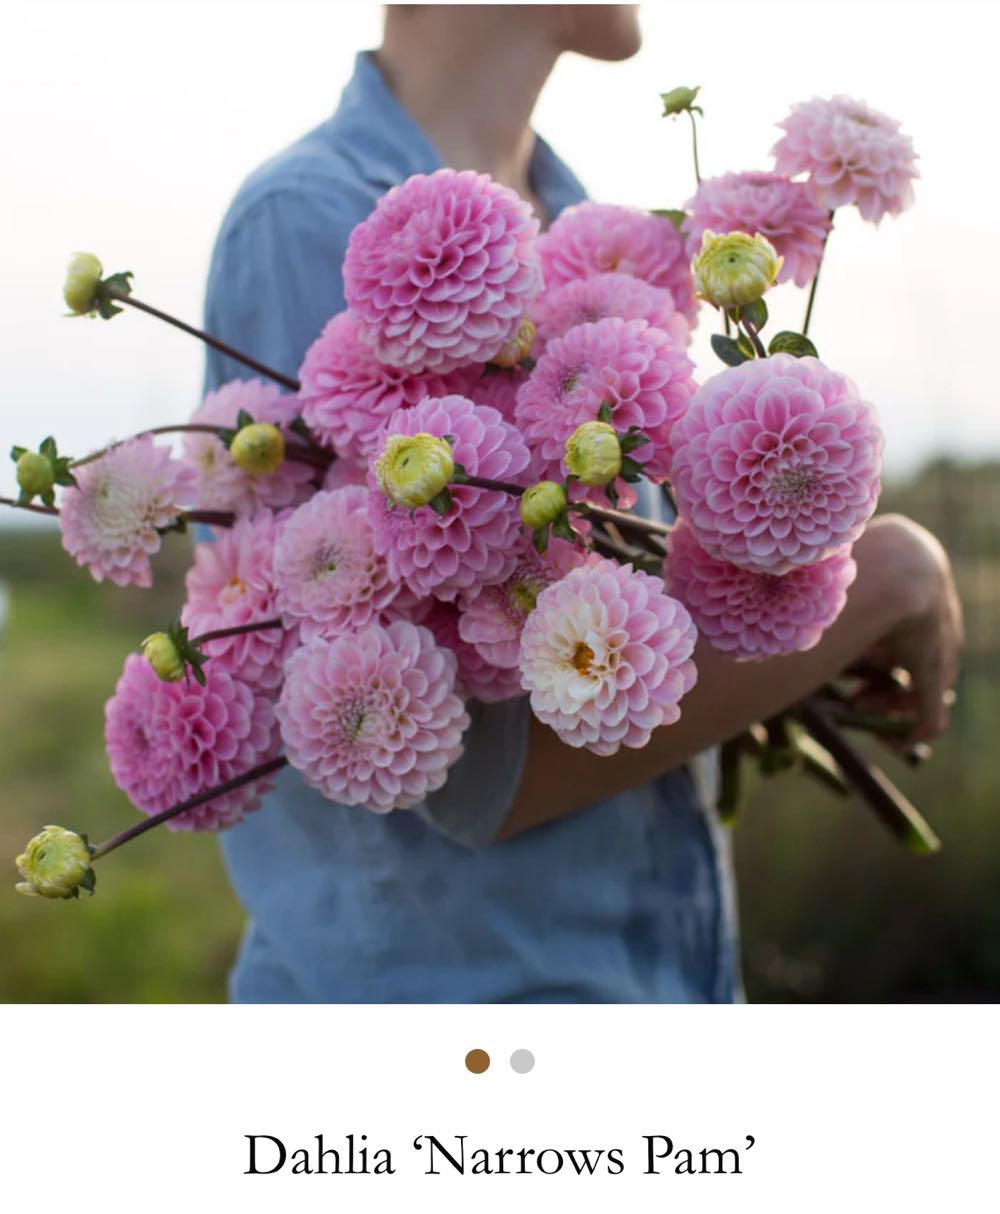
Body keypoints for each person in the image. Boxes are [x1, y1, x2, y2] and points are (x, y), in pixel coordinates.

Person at [201, 5, 962, 1003]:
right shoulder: (309, 216)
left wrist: (782, 616)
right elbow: (482, 778)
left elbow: (626, 633)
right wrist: (888, 579)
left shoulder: (594, 234)